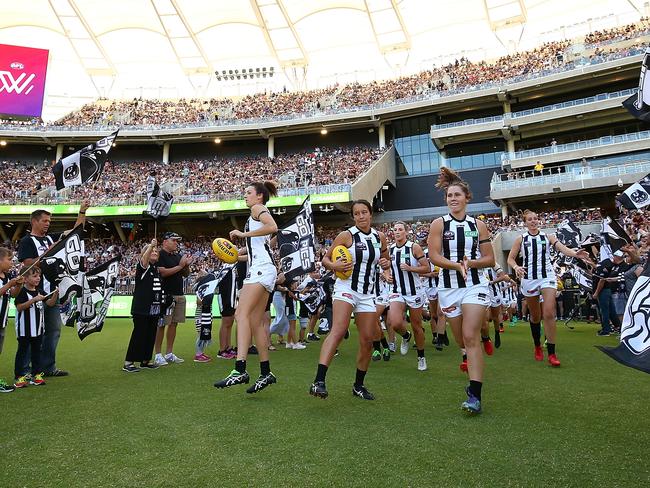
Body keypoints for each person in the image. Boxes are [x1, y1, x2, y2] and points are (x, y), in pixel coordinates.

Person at [427, 167, 495, 414]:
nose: (453, 198)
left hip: (475, 285)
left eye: (457, 195)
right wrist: (455, 265)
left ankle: (475, 395)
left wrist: (471, 263)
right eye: (449, 195)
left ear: (467, 198)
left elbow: (489, 258)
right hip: (448, 288)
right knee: (460, 340)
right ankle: (465, 354)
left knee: (470, 335)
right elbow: (434, 256)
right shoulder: (438, 224)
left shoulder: (479, 225)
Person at [310, 199, 391, 401]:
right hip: (346, 288)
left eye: (364, 212)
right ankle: (318, 381)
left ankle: (358, 386)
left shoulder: (379, 237)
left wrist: (385, 262)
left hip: (367, 294)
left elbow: (386, 259)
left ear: (371, 214)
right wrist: (334, 266)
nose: (361, 216)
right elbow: (326, 260)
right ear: (353, 216)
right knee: (338, 330)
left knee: (367, 340)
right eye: (357, 213)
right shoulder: (346, 236)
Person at [214, 181, 279, 393]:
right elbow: (259, 248)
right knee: (254, 321)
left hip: (261, 270)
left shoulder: (257, 209)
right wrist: (236, 253)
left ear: (260, 196)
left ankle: (240, 368)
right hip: (263, 268)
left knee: (240, 314)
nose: (246, 196)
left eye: (249, 192)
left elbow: (273, 227)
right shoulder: (255, 214)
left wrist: (243, 235)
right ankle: (265, 372)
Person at [507, 210, 591, 365]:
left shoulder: (548, 236)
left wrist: (574, 253)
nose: (533, 221)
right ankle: (537, 345)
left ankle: (552, 353)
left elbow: (562, 248)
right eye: (530, 219)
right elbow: (510, 259)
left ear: (538, 220)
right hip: (529, 279)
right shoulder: (520, 239)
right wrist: (516, 267)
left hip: (547, 277)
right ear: (525, 223)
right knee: (535, 316)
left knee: (549, 313)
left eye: (535, 218)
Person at [17, 204, 88, 377]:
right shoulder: (27, 241)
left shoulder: (51, 239)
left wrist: (82, 211)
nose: (48, 224)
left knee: (54, 331)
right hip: (34, 295)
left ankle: (48, 367)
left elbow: (76, 231)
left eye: (49, 221)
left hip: (53, 293)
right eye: (44, 221)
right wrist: (48, 253)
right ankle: (26, 370)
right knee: (33, 332)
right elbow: (27, 264)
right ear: (34, 221)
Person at [387, 222, 431, 370]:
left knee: (417, 326)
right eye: (395, 230)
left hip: (414, 291)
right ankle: (406, 336)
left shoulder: (414, 247)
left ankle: (421, 357)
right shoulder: (390, 249)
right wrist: (386, 275)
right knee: (395, 323)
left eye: (400, 229)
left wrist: (410, 268)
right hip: (396, 290)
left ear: (406, 232)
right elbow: (385, 266)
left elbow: (427, 267)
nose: (397, 232)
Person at [14, 267, 59, 388]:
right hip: (25, 330)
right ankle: (19, 377)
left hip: (38, 330)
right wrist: (34, 300)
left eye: (39, 276)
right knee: (22, 353)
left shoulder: (40, 291)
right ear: (25, 279)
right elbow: (19, 307)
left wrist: (55, 295)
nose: (38, 278)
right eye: (34, 276)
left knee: (36, 353)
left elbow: (49, 303)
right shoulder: (21, 292)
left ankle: (37, 375)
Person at [123, 239, 163, 372]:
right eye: (152, 251)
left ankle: (145, 360)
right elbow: (144, 261)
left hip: (154, 309)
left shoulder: (155, 269)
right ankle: (129, 362)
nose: (155, 252)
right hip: (142, 308)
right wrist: (151, 246)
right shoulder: (142, 266)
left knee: (150, 335)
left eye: (156, 251)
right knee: (139, 334)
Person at [154, 232, 192, 366]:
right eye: (174, 240)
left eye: (177, 241)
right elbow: (162, 272)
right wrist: (181, 266)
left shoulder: (177, 256)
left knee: (174, 324)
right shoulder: (159, 254)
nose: (177, 243)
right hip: (166, 295)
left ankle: (169, 353)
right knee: (162, 324)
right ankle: (158, 354)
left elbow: (185, 274)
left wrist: (186, 265)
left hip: (179, 293)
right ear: (165, 241)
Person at [0, 248, 23, 392]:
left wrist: (19, 284)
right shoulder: (6, 280)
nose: (12, 262)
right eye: (9, 259)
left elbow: (12, 294)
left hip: (2, 321)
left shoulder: (6, 276)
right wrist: (9, 284)